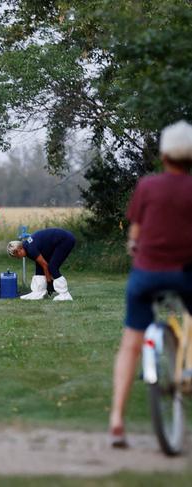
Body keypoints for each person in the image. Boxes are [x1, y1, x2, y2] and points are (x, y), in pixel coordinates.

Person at [109, 120, 192, 448]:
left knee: (131, 342)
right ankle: (186, 371)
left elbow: (135, 235)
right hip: (184, 274)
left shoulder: (147, 186)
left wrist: (135, 249)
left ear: (164, 155)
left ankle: (116, 418)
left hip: (145, 275)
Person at [7, 228, 76, 301]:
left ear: (19, 249)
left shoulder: (30, 249)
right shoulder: (27, 247)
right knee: (39, 267)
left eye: (16, 255)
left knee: (52, 267)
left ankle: (65, 294)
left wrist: (49, 282)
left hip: (65, 240)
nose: (18, 258)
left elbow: (45, 265)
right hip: (59, 240)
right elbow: (41, 264)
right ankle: (39, 292)